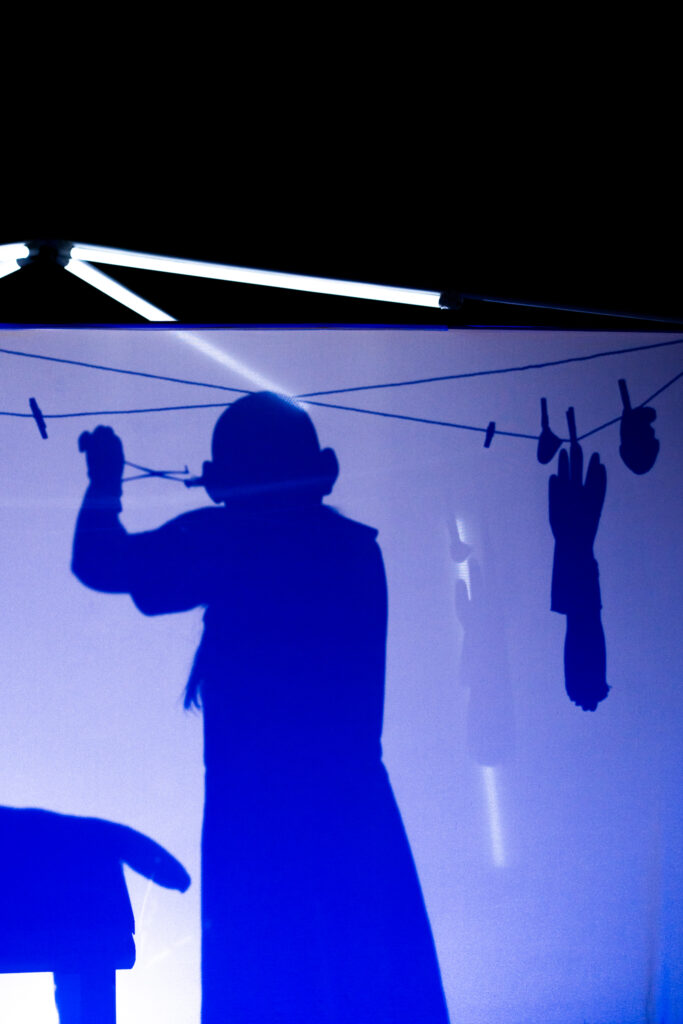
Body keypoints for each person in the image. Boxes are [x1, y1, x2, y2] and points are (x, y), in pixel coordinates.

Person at [72, 391, 450, 1024]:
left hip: (256, 815)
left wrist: (105, 481)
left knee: (264, 981)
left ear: (222, 481)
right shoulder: (355, 550)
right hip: (353, 810)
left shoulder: (227, 541)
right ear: (322, 470)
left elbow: (99, 562)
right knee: (373, 982)